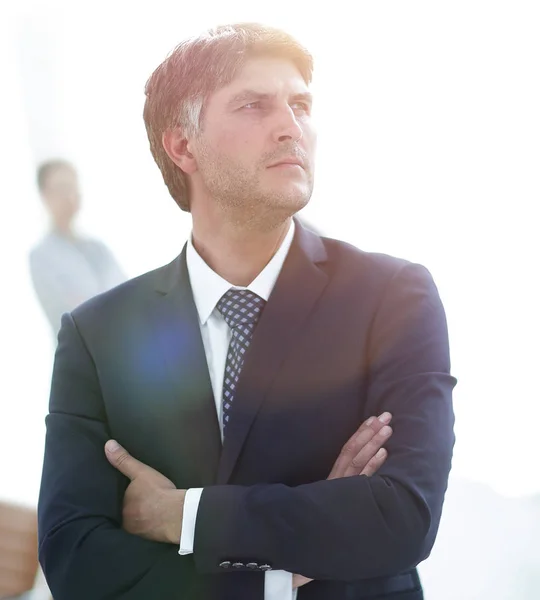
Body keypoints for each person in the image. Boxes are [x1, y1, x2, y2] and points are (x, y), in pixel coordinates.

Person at [37, 23, 456, 600]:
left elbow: (400, 516)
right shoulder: (96, 333)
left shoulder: (393, 296)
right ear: (183, 145)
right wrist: (283, 572)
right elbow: (75, 560)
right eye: (254, 105)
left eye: (301, 104)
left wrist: (185, 515)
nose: (291, 126)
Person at [29, 159, 126, 338]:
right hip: (79, 354)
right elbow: (67, 314)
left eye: (73, 186)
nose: (70, 195)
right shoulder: (41, 256)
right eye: (62, 188)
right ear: (45, 196)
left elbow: (126, 296)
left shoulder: (98, 249)